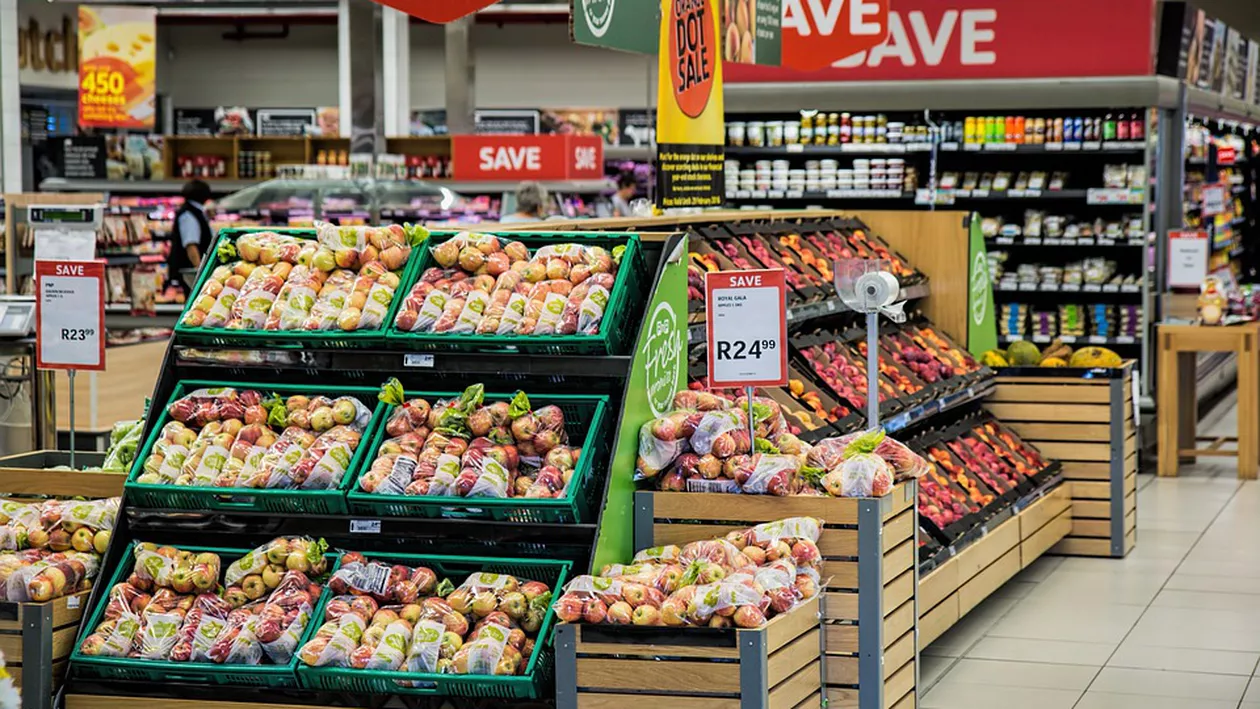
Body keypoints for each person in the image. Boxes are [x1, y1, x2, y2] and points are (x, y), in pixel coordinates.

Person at [170, 179, 215, 291]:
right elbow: (191, 245)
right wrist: (200, 271)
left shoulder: (195, 212)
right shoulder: (188, 214)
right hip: (189, 274)